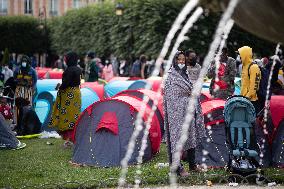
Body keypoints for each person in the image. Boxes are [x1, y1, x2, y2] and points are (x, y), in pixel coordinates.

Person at [164, 51, 205, 177]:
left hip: (188, 111)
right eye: (179, 60)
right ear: (174, 61)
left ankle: (192, 164)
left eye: (183, 60)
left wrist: (190, 93)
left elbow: (190, 89)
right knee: (177, 139)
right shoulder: (171, 76)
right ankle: (178, 168)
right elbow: (171, 95)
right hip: (176, 113)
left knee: (191, 136)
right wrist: (188, 93)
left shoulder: (185, 73)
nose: (181, 62)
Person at [49, 52, 81, 147]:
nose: (65, 60)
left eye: (66, 58)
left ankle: (69, 140)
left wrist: (59, 87)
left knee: (66, 117)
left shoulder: (68, 70)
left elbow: (66, 83)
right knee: (74, 117)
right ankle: (73, 138)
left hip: (68, 96)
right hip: (76, 94)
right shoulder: (78, 69)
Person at [238, 46, 261, 114]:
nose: (239, 57)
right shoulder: (244, 66)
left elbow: (254, 86)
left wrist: (247, 97)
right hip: (244, 99)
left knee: (252, 123)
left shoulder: (254, 67)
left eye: (240, 55)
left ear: (245, 55)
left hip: (252, 101)